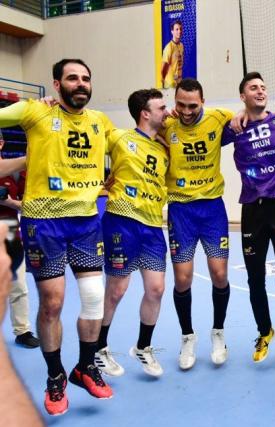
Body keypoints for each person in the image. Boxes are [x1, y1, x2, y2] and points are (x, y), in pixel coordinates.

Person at [0, 58, 114, 416]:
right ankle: (55, 376)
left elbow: (136, 141)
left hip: (84, 221)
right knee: (52, 303)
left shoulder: (100, 122)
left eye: (85, 78)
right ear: (57, 84)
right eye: (72, 78)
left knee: (94, 296)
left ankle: (84, 366)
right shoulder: (35, 111)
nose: (80, 84)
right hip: (43, 222)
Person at [221, 72, 275, 363]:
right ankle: (264, 331)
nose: (260, 91)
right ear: (243, 96)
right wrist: (236, 116)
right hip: (252, 210)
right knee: (256, 278)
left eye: (263, 87)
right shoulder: (234, 127)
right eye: (253, 88)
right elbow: (201, 133)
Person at [92, 89, 170, 378]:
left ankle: (143, 347)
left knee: (156, 289)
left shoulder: (164, 149)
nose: (167, 112)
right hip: (122, 220)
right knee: (116, 290)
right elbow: (88, 150)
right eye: (162, 107)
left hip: (152, 225)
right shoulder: (120, 138)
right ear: (145, 113)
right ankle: (98, 348)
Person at [162, 78, 234, 370]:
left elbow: (245, 117)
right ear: (174, 100)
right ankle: (187, 337)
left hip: (213, 209)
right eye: (181, 104)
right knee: (182, 279)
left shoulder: (219, 118)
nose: (186, 111)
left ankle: (218, 333)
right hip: (181, 211)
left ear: (203, 102)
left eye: (192, 105)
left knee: (219, 274)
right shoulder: (167, 125)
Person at [0, 222, 43, 426]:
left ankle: (22, 331)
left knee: (18, 287)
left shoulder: (19, 187)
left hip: (12, 237)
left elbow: (23, 203)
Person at [0, 130, 40, 348]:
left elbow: (29, 203)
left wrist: (10, 203)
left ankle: (22, 331)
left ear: (2, 143)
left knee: (18, 285)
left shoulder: (16, 172)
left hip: (10, 231)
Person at [161, 20, 184, 89]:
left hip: (179, 82)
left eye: (180, 29)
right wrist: (165, 82)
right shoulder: (169, 47)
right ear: (172, 32)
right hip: (170, 83)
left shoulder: (181, 45)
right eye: (176, 29)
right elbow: (163, 68)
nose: (179, 31)